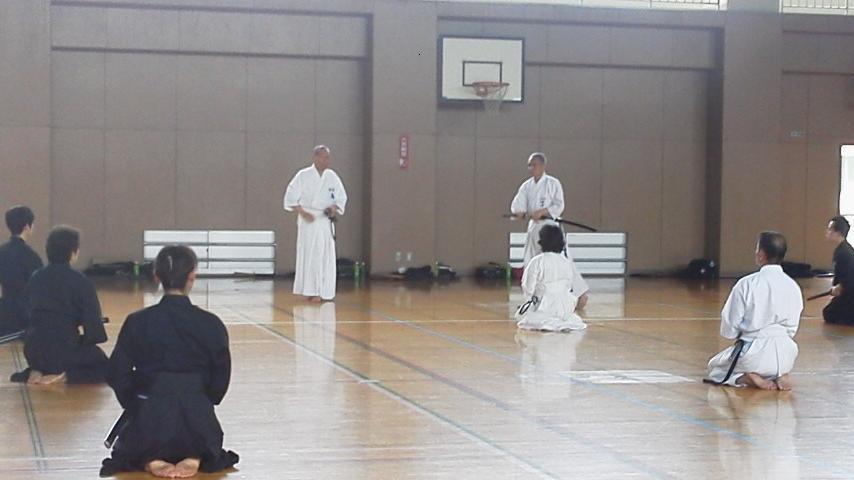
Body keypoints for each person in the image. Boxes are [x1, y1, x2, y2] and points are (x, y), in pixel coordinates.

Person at [100, 245, 238, 479]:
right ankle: (194, 454)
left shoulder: (138, 322)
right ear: (192, 276)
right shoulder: (211, 324)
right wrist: (201, 399)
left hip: (150, 417)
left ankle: (152, 458)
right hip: (197, 420)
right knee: (200, 431)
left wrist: (136, 402)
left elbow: (116, 372)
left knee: (139, 440)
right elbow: (220, 380)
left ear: (157, 276)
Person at [10, 226, 108, 385]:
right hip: (64, 351)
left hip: (33, 351)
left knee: (51, 349)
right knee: (105, 366)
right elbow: (96, 334)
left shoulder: (36, 277)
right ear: (73, 253)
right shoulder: (81, 281)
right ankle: (64, 376)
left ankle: (36, 370)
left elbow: (24, 314)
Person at [706, 232, 803, 391]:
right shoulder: (793, 286)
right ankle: (779, 374)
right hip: (787, 354)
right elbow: (792, 329)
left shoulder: (746, 284)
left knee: (715, 369)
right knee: (772, 365)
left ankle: (746, 377)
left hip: (753, 352)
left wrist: (739, 334)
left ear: (761, 254)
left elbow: (729, 326)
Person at [283, 145, 348, 302]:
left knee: (326, 255)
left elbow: (341, 198)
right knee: (311, 254)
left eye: (328, 158)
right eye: (323, 157)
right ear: (316, 157)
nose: (326, 161)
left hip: (325, 220)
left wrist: (333, 208)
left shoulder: (332, 176)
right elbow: (290, 197)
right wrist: (303, 213)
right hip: (309, 220)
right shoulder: (303, 175)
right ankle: (311, 291)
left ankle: (325, 291)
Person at [515, 225, 589, 332]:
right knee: (567, 319)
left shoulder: (537, 261)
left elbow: (528, 286)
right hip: (564, 306)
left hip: (543, 304)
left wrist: (531, 300)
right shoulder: (566, 262)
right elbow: (569, 285)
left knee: (528, 319)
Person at [510, 152, 565, 267]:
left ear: (543, 166)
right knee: (531, 258)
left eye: (534, 165)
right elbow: (518, 204)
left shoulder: (553, 183)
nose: (531, 168)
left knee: (550, 258)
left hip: (549, 227)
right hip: (534, 226)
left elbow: (559, 205)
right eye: (529, 165)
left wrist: (543, 211)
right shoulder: (527, 185)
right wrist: (518, 212)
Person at [0, 206, 43, 338]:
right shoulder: (31, 256)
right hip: (25, 316)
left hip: (4, 313)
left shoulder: (2, 252)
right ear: (27, 226)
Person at [822, 216, 854, 325]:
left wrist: (840, 287)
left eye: (830, 229)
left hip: (851, 294)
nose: (827, 232)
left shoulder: (844, 253)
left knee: (829, 314)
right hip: (848, 291)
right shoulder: (843, 250)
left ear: (837, 233)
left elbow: (849, 280)